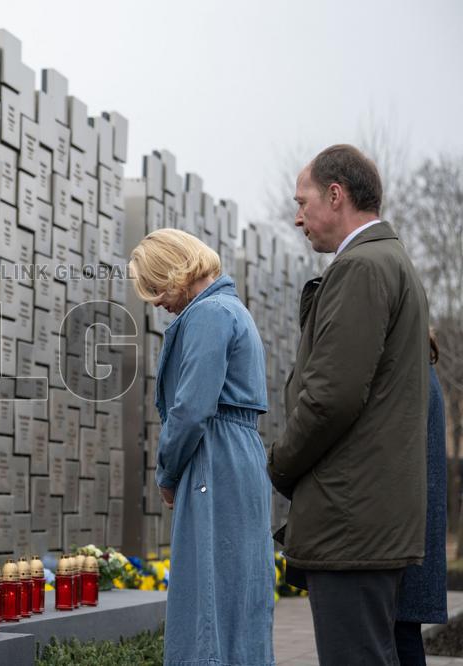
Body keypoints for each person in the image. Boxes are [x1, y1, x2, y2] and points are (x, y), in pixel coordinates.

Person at [267, 144, 429, 666]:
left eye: (302, 201)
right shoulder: (387, 260)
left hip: (351, 522)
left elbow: (329, 399)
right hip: (366, 518)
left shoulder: (361, 268)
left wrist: (278, 464)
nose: (297, 218)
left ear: (335, 196)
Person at [130, 228, 274, 666]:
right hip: (236, 454)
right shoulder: (232, 309)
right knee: (238, 597)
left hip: (215, 457)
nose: (156, 302)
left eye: (155, 287)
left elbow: (190, 409)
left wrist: (167, 474)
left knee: (208, 597)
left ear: (175, 272)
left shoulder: (209, 314)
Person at [395, 331, 448, 665]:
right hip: (417, 528)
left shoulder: (410, 376)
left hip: (407, 530)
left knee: (401, 635)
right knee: (404, 632)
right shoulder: (423, 371)